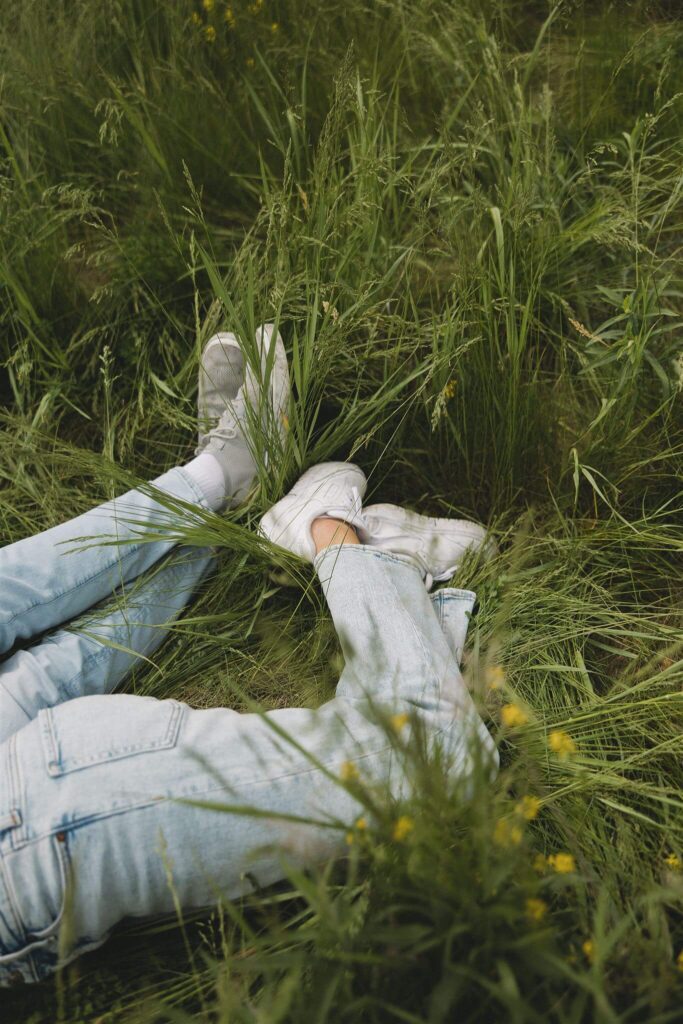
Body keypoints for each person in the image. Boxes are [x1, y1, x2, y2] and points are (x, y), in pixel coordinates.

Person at [0, 323, 497, 986]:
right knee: (59, 661)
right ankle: (229, 489)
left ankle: (316, 522)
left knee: (436, 756)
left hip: (23, 830)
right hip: (26, 817)